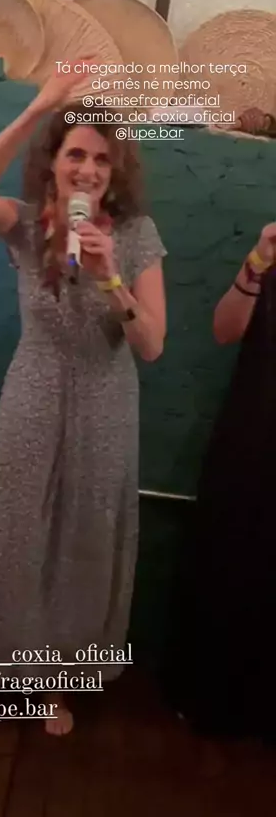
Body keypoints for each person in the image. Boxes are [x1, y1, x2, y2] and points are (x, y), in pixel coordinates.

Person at [0, 62, 167, 736]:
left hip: (106, 403)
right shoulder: (24, 226)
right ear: (53, 162)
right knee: (11, 533)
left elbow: (152, 345)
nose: (89, 168)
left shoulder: (136, 236)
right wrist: (37, 108)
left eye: (102, 159)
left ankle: (55, 679)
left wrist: (111, 279)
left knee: (82, 540)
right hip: (34, 392)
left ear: (115, 170)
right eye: (76, 153)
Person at [162, 222, 276, 744]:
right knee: (231, 560)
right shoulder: (268, 259)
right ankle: (209, 700)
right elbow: (224, 329)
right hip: (252, 433)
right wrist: (258, 261)